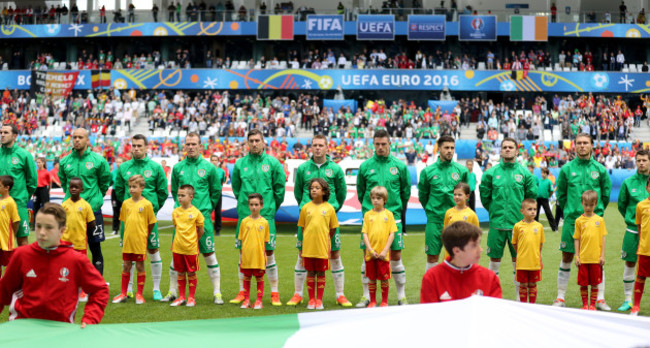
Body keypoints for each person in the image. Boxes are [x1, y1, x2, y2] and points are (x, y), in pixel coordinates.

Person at [0, 202, 109, 326]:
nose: (41, 232)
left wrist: (90, 319)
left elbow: (100, 289)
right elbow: (3, 291)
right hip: (22, 327)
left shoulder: (76, 260)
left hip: (59, 331)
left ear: (62, 230)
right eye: (38, 226)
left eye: (48, 227)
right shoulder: (21, 255)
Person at [287, 134, 350, 307]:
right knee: (302, 255)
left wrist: (333, 208)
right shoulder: (303, 169)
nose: (317, 148)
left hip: (328, 219)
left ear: (327, 147)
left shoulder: (335, 169)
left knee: (335, 254)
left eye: (321, 145)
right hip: (307, 221)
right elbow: (298, 192)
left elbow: (342, 192)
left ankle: (340, 294)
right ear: (311, 147)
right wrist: (306, 208)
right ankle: (298, 294)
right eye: (314, 145)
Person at [554, 133, 611, 310]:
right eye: (579, 143)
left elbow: (606, 194)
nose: (582, 146)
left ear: (592, 146)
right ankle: (560, 297)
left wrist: (597, 214)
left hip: (594, 223)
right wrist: (571, 211)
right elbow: (561, 194)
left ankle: (599, 299)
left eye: (585, 143)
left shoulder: (600, 170)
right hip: (572, 221)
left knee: (596, 260)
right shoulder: (566, 169)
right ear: (574, 146)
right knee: (567, 257)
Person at [356, 129, 411, 307]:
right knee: (368, 256)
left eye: (383, 144)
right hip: (370, 220)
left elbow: (405, 192)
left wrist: (394, 210)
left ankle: (401, 296)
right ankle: (366, 296)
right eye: (377, 144)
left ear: (389, 144)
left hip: (392, 218)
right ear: (374, 144)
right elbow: (361, 192)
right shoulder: (365, 166)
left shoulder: (400, 166)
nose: (380, 147)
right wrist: (369, 211)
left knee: (395, 256)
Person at [231, 129, 285, 306]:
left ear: (263, 142)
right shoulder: (239, 164)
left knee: (269, 254)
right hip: (245, 218)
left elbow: (279, 190)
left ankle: (274, 293)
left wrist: (268, 208)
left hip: (266, 217)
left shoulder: (273, 163)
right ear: (247, 143)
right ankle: (242, 292)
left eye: (257, 140)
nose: (254, 144)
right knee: (243, 254)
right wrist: (245, 208)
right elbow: (237, 189)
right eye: (251, 141)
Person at [167, 133, 223, 304]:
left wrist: (206, 210)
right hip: (182, 221)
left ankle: (217, 292)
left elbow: (215, 192)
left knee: (209, 254)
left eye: (194, 144)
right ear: (184, 146)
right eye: (188, 144)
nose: (190, 147)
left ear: (200, 145)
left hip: (202, 219)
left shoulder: (209, 168)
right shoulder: (178, 168)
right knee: (177, 255)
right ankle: (172, 291)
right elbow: (175, 191)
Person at [479, 138, 537, 299]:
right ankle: (492, 296)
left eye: (511, 147)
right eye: (504, 147)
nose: (507, 149)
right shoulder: (490, 173)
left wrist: (522, 216)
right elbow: (485, 196)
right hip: (497, 225)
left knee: (518, 263)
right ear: (501, 150)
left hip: (518, 226)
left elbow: (530, 198)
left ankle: (519, 298)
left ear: (517, 151)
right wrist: (494, 210)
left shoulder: (525, 173)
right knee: (494, 262)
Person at [114, 134, 168, 301]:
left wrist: (152, 209)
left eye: (139, 146)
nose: (136, 148)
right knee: (128, 254)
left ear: (146, 148)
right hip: (129, 221)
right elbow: (118, 189)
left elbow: (163, 191)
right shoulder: (123, 168)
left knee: (153, 250)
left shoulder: (155, 167)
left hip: (147, 220)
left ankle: (156, 289)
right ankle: (129, 289)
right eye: (134, 145)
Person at [59, 128, 111, 276]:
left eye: (80, 137)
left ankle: (96, 285)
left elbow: (104, 182)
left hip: (93, 211)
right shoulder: (65, 161)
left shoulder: (98, 160)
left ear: (87, 140)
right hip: (71, 213)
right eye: (74, 137)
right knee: (69, 248)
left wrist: (95, 200)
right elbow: (64, 183)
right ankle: (73, 283)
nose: (76, 140)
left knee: (95, 248)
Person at [418, 136, 468, 271]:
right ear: (439, 149)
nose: (449, 151)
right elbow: (423, 196)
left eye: (452, 148)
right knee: (432, 257)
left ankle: (455, 291)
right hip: (435, 221)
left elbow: (465, 195)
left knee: (455, 257)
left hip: (455, 221)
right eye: (446, 148)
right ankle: (432, 290)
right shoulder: (427, 172)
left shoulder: (462, 171)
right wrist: (431, 211)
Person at [420, 221, 502, 303]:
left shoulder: (490, 277)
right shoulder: (432, 278)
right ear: (456, 251)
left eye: (479, 244)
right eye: (474, 245)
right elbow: (428, 313)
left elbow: (495, 312)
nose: (480, 249)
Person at [112, 175, 157, 305]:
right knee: (126, 265)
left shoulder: (147, 204)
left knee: (140, 266)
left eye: (134, 187)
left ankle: (139, 294)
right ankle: (123, 293)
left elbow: (151, 222)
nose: (131, 189)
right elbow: (124, 222)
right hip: (128, 241)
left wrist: (144, 235)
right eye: (130, 187)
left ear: (142, 188)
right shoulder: (126, 203)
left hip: (140, 241)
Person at [296, 178, 339, 310]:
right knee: (310, 272)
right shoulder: (305, 208)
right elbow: (303, 227)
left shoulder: (329, 208)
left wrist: (324, 239)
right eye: (312, 188)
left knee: (320, 272)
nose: (313, 189)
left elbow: (333, 229)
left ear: (324, 191)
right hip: (308, 247)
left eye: (317, 188)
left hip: (322, 247)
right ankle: (311, 300)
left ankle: (319, 300)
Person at [617, 149, 650, 311]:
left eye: (644, 160)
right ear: (635, 162)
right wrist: (631, 219)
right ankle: (628, 299)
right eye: (639, 160)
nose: (641, 163)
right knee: (630, 263)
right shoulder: (628, 183)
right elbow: (622, 205)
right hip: (632, 231)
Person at [0, 124, 36, 247]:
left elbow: (32, 182)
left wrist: (23, 198)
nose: (2, 135)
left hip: (18, 205)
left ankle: (24, 267)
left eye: (6, 132)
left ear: (15, 136)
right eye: (1, 132)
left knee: (22, 241)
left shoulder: (24, 155)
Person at [61, 177, 96, 302]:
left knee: (81, 268)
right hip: (65, 243)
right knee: (65, 268)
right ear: (68, 188)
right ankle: (68, 290)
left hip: (80, 242)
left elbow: (92, 222)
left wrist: (85, 228)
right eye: (71, 187)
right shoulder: (64, 205)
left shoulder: (85, 205)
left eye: (76, 187)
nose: (74, 189)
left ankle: (83, 292)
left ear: (82, 189)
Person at [169, 185, 204, 307]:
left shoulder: (196, 213)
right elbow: (176, 227)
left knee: (191, 273)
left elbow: (201, 230)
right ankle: (181, 297)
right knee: (180, 272)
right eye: (178, 195)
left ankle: (191, 298)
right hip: (177, 248)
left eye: (182, 195)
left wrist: (193, 241)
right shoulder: (175, 212)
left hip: (191, 249)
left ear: (191, 197)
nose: (180, 197)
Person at [362, 186, 396, 308]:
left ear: (384, 200)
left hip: (383, 254)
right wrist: (370, 250)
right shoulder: (367, 215)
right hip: (371, 254)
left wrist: (385, 250)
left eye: (379, 198)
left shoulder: (389, 214)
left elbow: (392, 234)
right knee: (371, 277)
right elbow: (364, 233)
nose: (375, 200)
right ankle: (372, 301)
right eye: (373, 198)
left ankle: (384, 301)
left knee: (384, 278)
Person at [573, 190, 607, 310]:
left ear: (595, 204)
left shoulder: (600, 220)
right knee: (583, 283)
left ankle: (592, 304)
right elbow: (577, 239)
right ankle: (585, 305)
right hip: (583, 258)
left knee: (594, 283)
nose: (588, 207)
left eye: (591, 205)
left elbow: (602, 239)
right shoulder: (579, 221)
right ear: (582, 203)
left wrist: (602, 256)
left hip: (595, 258)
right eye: (586, 204)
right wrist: (577, 256)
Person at [237, 193, 270, 309]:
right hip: (247, 256)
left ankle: (259, 300)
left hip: (259, 256)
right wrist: (242, 255)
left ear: (261, 205)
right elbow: (241, 240)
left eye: (256, 204)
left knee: (259, 278)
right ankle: (246, 300)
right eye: (251, 205)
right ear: (248, 206)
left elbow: (265, 241)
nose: (254, 207)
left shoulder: (265, 222)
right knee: (246, 277)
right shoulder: (244, 222)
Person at [512, 199, 545, 304]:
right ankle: (523, 305)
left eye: (535, 209)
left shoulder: (539, 226)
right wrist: (521, 253)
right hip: (522, 262)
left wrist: (536, 254)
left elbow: (540, 244)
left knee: (532, 284)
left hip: (534, 262)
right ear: (522, 211)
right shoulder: (517, 226)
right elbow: (514, 243)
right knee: (523, 285)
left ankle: (532, 305)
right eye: (530, 209)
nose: (533, 211)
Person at [442, 182, 479, 260]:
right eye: (455, 194)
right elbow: (445, 232)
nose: (456, 197)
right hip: (450, 252)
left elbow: (476, 236)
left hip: (465, 252)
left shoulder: (471, 214)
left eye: (459, 195)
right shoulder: (448, 213)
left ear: (467, 196)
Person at [631, 177, 650, 315]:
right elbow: (639, 226)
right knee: (640, 276)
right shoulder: (641, 206)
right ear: (647, 188)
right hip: (645, 249)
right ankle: (636, 306)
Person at [0, 176, 19, 276]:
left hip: (6, 240)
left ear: (7, 188)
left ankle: (13, 285)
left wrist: (12, 235)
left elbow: (16, 221)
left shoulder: (11, 202)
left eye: (0, 186)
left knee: (10, 265)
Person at [536, 167, 557, 232]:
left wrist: (549, 196)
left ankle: (554, 228)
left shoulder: (549, 182)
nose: (543, 174)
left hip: (545, 199)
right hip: (537, 199)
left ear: (547, 174)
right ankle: (535, 227)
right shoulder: (539, 180)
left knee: (548, 213)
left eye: (544, 173)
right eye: (542, 173)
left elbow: (551, 190)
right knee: (536, 213)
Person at [210, 154, 226, 236]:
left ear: (218, 162)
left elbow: (222, 182)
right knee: (206, 211)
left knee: (218, 212)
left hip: (218, 193)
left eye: (215, 160)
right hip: (208, 193)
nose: (214, 162)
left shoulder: (221, 171)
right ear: (210, 161)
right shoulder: (207, 170)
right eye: (212, 160)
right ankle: (206, 228)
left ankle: (217, 230)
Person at [111, 156, 125, 235]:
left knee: (125, 211)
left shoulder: (126, 171)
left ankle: (125, 228)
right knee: (115, 211)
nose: (118, 163)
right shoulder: (113, 172)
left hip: (123, 192)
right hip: (115, 192)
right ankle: (115, 229)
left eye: (120, 162)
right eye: (117, 162)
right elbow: (109, 181)